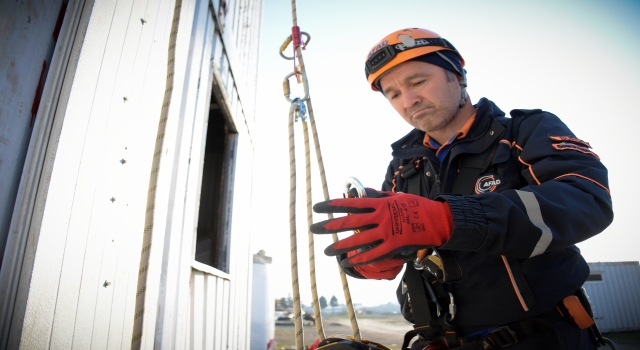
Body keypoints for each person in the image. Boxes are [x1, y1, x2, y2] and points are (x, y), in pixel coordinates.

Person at [310, 28, 613, 349]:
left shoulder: (524, 131)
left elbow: (585, 200)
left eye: (417, 81)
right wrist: (368, 259)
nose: (408, 100)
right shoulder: (402, 168)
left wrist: (449, 219)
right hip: (438, 341)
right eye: (393, 94)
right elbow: (397, 249)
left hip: (540, 338)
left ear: (456, 74)